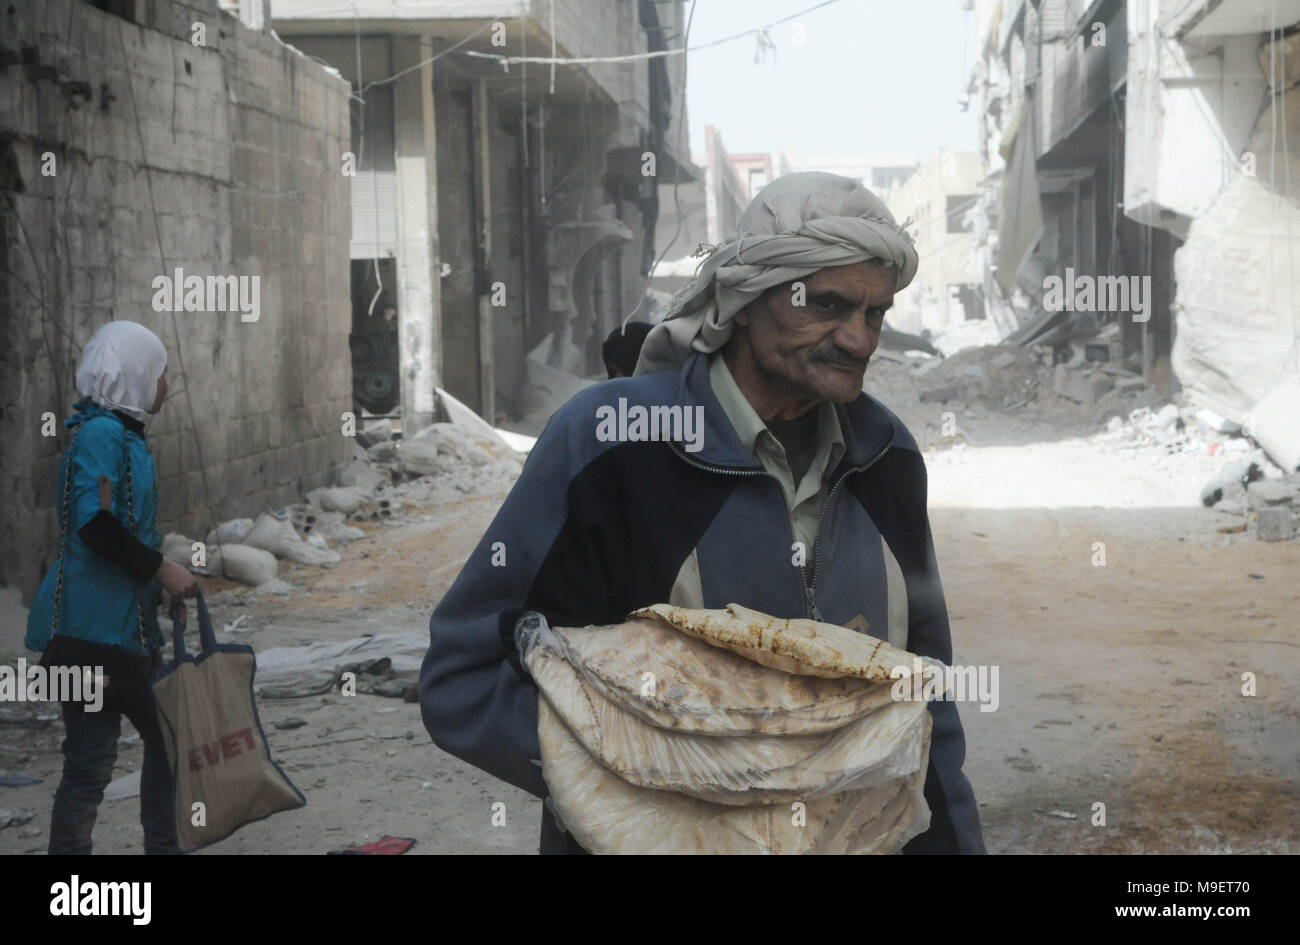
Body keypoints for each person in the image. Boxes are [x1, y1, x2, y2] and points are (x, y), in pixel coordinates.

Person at [420, 172, 985, 854]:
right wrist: (662, 774)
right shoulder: (613, 444)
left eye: (875, 314)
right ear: (744, 300)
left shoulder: (885, 458)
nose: (860, 340)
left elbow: (923, 707)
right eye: (829, 304)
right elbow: (465, 674)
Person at [26, 320, 198, 855]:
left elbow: (123, 529)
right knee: (96, 763)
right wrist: (164, 571)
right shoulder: (101, 435)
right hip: (93, 634)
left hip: (121, 631)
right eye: (162, 372)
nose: (166, 384)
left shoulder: (123, 437)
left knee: (148, 748)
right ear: (136, 374)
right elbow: (94, 526)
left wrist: (157, 581)